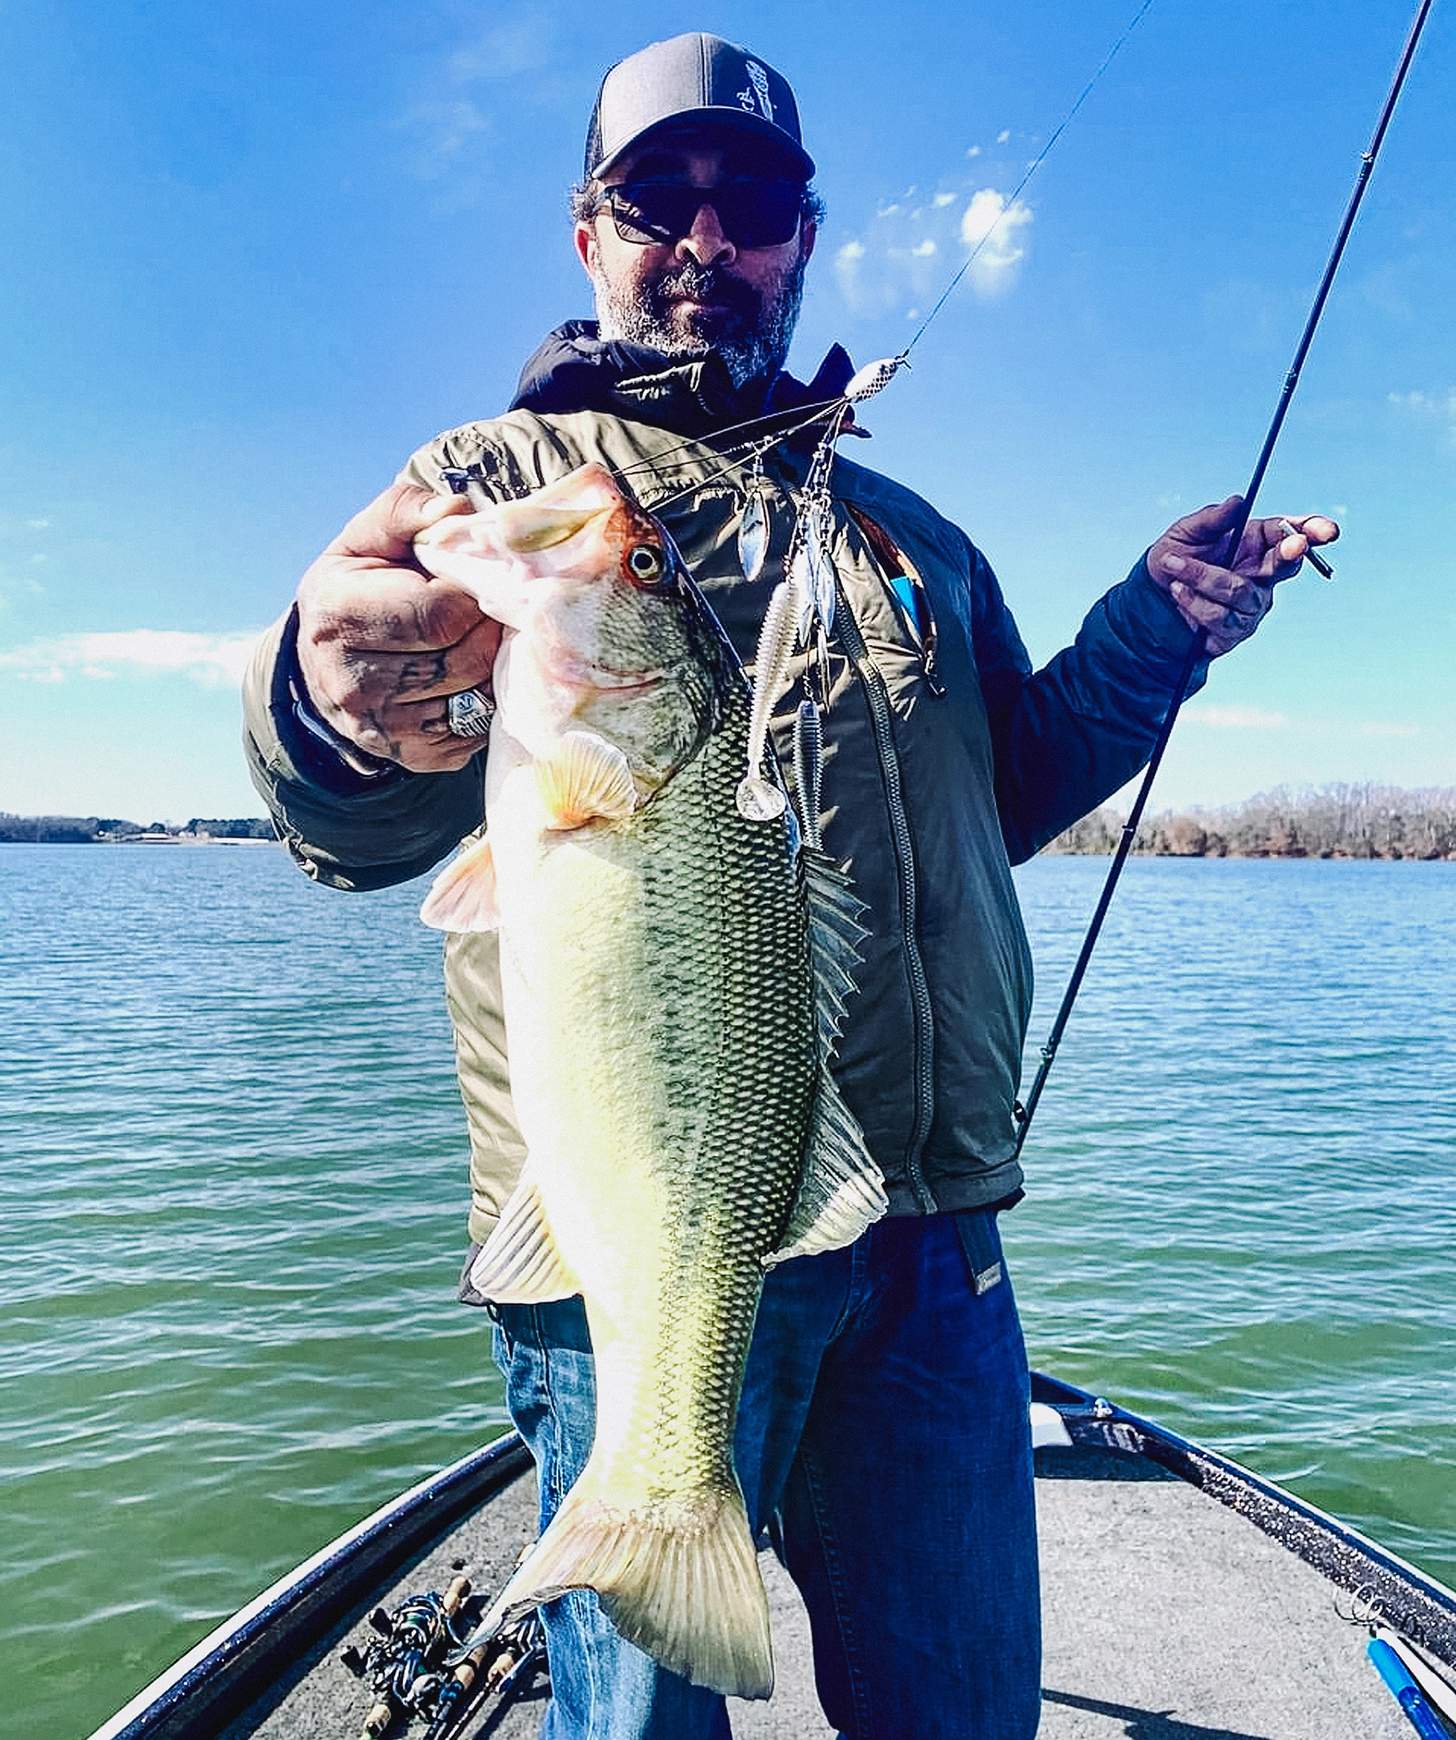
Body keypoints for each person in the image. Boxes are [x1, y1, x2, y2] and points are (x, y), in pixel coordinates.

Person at [243, 32, 1337, 1740]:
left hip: (932, 1239)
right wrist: (327, 705)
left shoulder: (913, 535)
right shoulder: (499, 487)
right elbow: (357, 805)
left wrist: (1151, 633)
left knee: (962, 1712)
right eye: (654, 195)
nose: (705, 232)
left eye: (749, 198)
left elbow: (1010, 788)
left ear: (802, 235)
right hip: (635, 1223)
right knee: (643, 1717)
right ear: (587, 233)